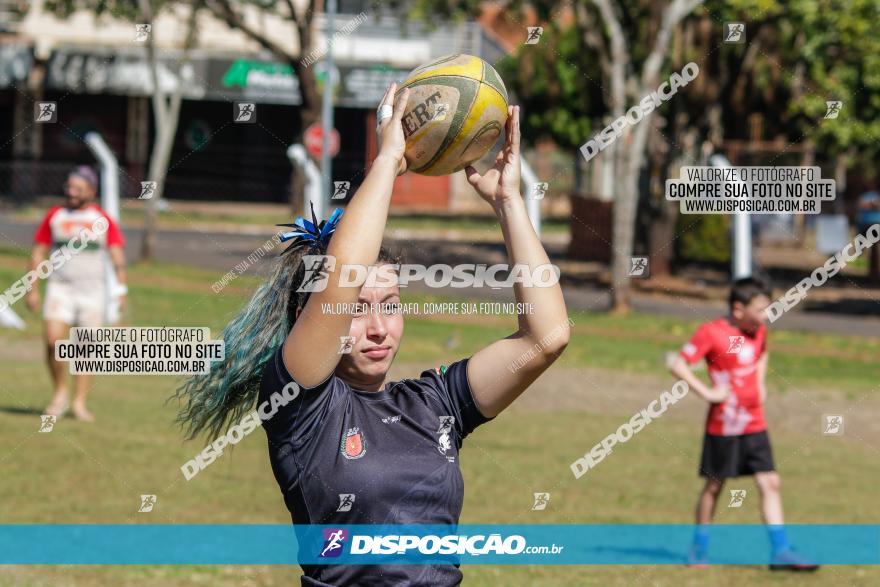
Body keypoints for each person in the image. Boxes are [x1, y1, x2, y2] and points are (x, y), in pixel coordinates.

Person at [175, 84, 570, 585]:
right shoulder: (300, 407)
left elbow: (547, 337)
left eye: (390, 305)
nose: (380, 329)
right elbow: (341, 276)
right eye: (358, 312)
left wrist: (508, 202)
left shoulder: (436, 405)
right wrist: (387, 161)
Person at [669, 277, 818, 571]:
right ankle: (698, 548)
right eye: (761, 309)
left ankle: (781, 551)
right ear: (738, 309)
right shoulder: (712, 332)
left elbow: (762, 354)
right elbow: (677, 363)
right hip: (724, 425)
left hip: (755, 423)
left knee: (770, 481)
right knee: (714, 486)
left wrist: (760, 384)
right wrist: (708, 393)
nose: (766, 315)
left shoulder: (758, 331)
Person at [26, 166, 127, 421]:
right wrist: (32, 288)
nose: (71, 192)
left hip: (92, 292)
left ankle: (79, 403)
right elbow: (38, 252)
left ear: (91, 191)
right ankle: (60, 391)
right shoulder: (55, 216)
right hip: (60, 289)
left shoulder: (102, 220)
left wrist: (121, 289)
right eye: (69, 187)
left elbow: (117, 256)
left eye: (77, 188)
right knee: (52, 342)